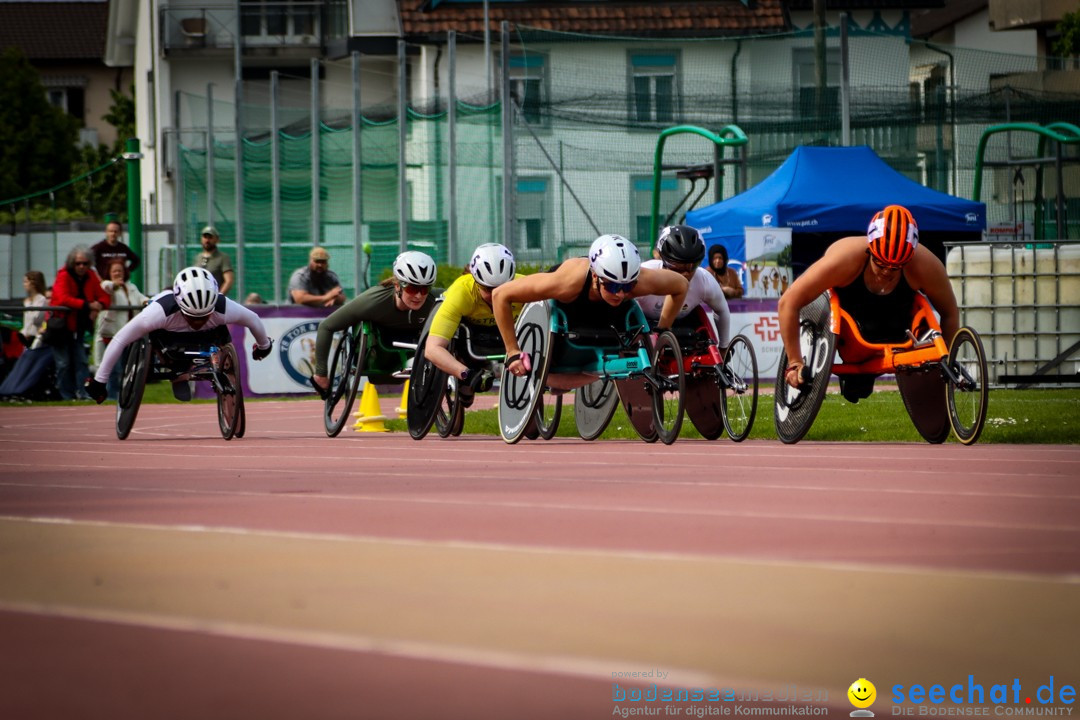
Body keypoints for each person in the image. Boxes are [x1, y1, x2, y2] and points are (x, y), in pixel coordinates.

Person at [777, 204, 960, 400]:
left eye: (895, 268)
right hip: (851, 333)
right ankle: (857, 380)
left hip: (897, 328)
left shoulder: (927, 266)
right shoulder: (844, 260)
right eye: (880, 264)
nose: (886, 273)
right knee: (857, 390)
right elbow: (788, 302)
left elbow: (950, 313)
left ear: (909, 258)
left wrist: (946, 359)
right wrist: (795, 362)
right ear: (870, 250)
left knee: (860, 389)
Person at [493, 234, 689, 389]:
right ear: (596, 275)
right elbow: (500, 295)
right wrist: (512, 350)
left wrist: (662, 330)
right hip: (569, 307)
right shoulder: (568, 281)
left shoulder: (640, 281)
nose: (620, 294)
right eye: (612, 286)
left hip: (604, 317)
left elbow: (681, 285)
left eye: (628, 286)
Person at [85, 267, 273, 404]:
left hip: (209, 336)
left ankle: (208, 366)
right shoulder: (159, 311)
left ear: (213, 304)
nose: (197, 322)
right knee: (154, 335)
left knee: (222, 331)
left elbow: (254, 320)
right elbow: (120, 339)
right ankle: (177, 373)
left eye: (204, 315)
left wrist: (264, 346)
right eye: (192, 316)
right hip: (167, 338)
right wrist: (100, 380)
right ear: (179, 304)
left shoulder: (224, 307)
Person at [307, 251, 440, 398]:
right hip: (379, 357)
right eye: (412, 288)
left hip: (415, 351)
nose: (419, 296)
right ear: (397, 286)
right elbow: (326, 326)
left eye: (425, 289)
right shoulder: (373, 301)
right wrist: (321, 374)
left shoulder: (436, 299)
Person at [425, 243, 521, 407]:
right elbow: (432, 349)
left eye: (502, 288)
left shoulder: (524, 286)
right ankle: (467, 378)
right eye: (488, 289)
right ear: (476, 281)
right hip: (469, 335)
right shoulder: (461, 292)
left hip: (507, 333)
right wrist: (466, 374)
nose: (495, 295)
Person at [637, 225, 731, 348]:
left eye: (692, 267)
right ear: (664, 261)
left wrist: (724, 347)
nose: (685, 273)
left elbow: (722, 310)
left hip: (684, 323)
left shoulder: (704, 280)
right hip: (643, 323)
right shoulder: (645, 274)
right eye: (678, 268)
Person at [50, 246, 111, 400]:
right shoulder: (63, 275)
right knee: (63, 363)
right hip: (61, 327)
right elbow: (63, 298)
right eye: (78, 263)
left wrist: (99, 306)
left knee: (82, 362)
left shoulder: (91, 275)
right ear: (72, 263)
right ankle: (65, 395)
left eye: (85, 263)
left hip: (79, 326)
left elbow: (104, 296)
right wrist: (88, 305)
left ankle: (84, 393)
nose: (82, 266)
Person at [95, 259, 149, 400]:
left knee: (127, 367)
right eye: (115, 271)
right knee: (115, 368)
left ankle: (124, 396)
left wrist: (147, 301)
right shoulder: (106, 285)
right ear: (109, 273)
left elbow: (140, 298)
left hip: (129, 334)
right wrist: (114, 284)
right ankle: (112, 396)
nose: (118, 273)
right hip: (113, 332)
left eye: (120, 270)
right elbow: (106, 287)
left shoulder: (131, 287)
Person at [195, 226, 235, 296]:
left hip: (214, 298)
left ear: (217, 240)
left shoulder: (222, 257)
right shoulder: (198, 257)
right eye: (205, 237)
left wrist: (219, 296)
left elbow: (229, 280)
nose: (207, 240)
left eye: (210, 237)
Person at [21, 270, 48, 348]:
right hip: (26, 337)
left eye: (26, 282)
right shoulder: (26, 301)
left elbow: (37, 320)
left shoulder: (42, 300)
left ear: (33, 284)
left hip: (36, 338)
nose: (24, 284)